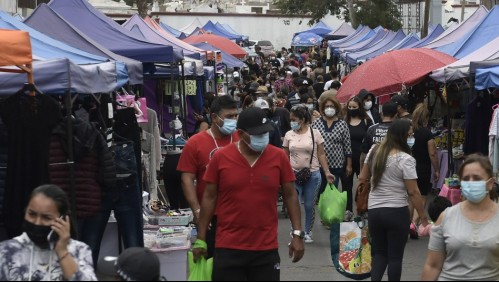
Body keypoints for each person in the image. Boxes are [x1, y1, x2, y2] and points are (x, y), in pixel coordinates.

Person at [194, 107, 305, 281]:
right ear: (241, 134)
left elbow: (290, 195)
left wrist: (297, 234)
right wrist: (201, 238)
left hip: (265, 249)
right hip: (228, 247)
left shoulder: (278, 157)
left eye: (265, 133)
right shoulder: (221, 157)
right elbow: (209, 197)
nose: (262, 137)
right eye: (257, 134)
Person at [362, 119, 428, 281]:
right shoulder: (405, 159)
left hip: (375, 211)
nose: (412, 138)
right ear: (401, 137)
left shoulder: (374, 151)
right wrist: (423, 217)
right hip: (397, 212)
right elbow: (413, 192)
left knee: (380, 254)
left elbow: (363, 178)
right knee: (395, 258)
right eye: (410, 135)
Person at [177, 95, 239, 259]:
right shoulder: (195, 143)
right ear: (214, 117)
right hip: (211, 216)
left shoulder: (241, 139)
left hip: (240, 214)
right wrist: (197, 211)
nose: (233, 120)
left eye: (235, 115)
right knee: (213, 262)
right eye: (229, 117)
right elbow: (187, 179)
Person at [422, 154, 499, 280]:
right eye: (466, 179)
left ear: (490, 183)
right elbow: (432, 265)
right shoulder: (446, 217)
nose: (471, 183)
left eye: (477, 178)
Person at [0, 184, 97, 281]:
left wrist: (62, 252)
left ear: (62, 219)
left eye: (46, 217)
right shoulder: (6, 251)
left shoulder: (79, 250)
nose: (37, 222)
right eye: (32, 214)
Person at [284, 104, 335, 243]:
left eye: (294, 119)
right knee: (293, 204)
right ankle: (296, 231)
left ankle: (307, 231)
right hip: (293, 174)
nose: (292, 122)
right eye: (291, 120)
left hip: (312, 174)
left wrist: (327, 172)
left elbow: (321, 154)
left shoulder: (315, 133)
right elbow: (284, 156)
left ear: (302, 119)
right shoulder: (289, 135)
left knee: (309, 205)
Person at [311, 96, 352, 196]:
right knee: (319, 195)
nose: (329, 108)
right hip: (318, 166)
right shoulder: (316, 124)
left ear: (336, 108)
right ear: (323, 108)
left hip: (336, 166)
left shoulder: (342, 124)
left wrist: (348, 165)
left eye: (332, 106)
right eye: (327, 106)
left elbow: (347, 146)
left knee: (331, 194)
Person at [410, 103, 439, 226]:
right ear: (425, 118)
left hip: (410, 167)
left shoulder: (410, 131)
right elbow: (432, 153)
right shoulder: (427, 133)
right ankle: (414, 223)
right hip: (423, 168)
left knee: (411, 197)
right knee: (422, 196)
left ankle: (407, 223)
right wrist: (437, 169)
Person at [342, 96, 372, 215]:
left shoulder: (366, 121)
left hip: (363, 160)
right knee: (346, 188)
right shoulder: (344, 122)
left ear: (359, 107)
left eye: (354, 107)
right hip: (346, 160)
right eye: (349, 107)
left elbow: (370, 140)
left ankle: (362, 210)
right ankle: (348, 212)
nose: (351, 109)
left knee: (363, 187)